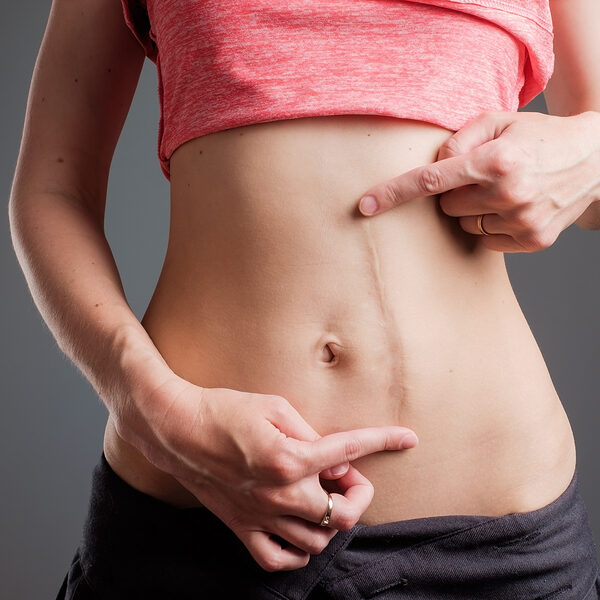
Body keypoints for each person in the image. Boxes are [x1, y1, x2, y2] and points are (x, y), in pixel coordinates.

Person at [8, 0, 600, 598]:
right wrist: (155, 412)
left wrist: (589, 156)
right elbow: (53, 188)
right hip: (203, 516)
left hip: (496, 553)